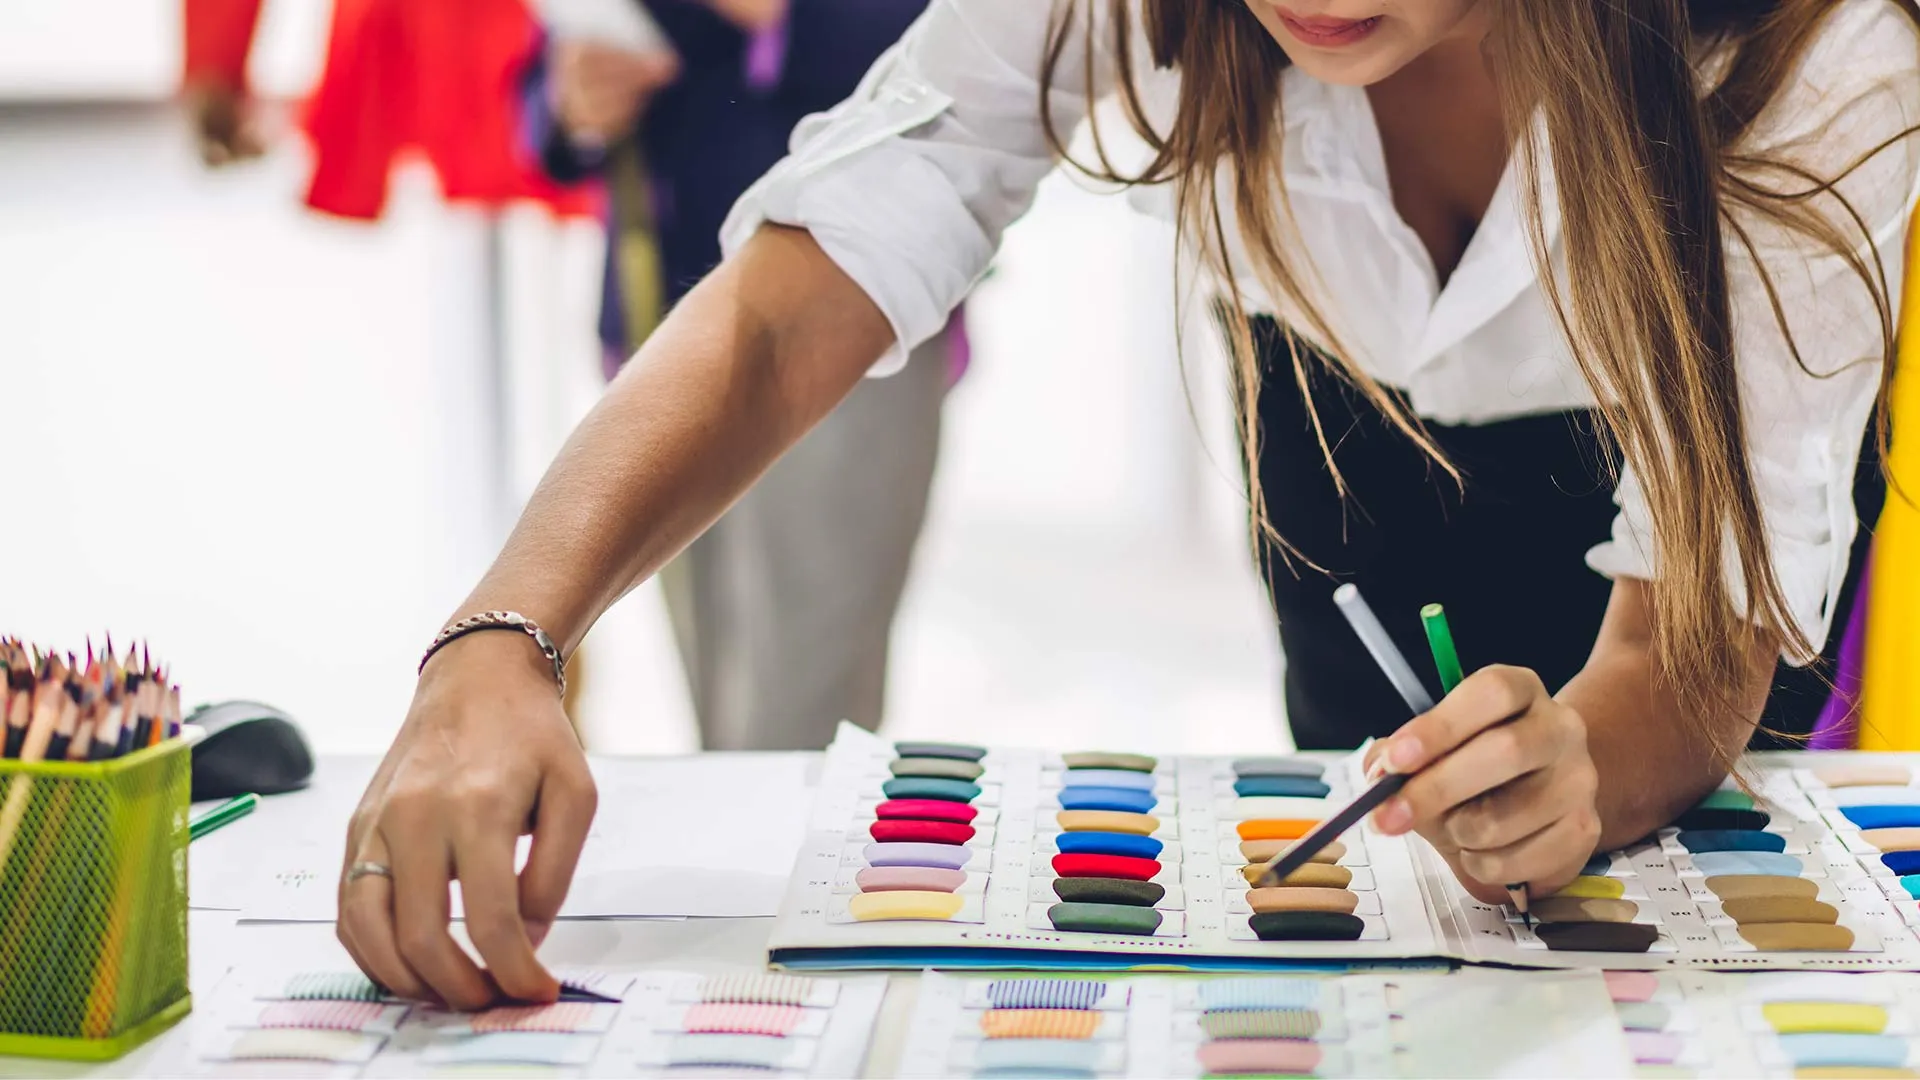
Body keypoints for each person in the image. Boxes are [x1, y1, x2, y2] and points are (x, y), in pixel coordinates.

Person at [336, 0, 1920, 1007]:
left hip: (1687, 610)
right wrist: (500, 636)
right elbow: (785, 301)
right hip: (1346, 488)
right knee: (1384, 967)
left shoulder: (1815, 50)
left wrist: (1594, 760)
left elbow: (1703, 627)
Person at [518, 0, 958, 752]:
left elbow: (963, 66)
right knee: (717, 698)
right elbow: (541, 79)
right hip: (663, 309)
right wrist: (570, 100)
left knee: (798, 716)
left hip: (845, 321)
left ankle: (797, 868)